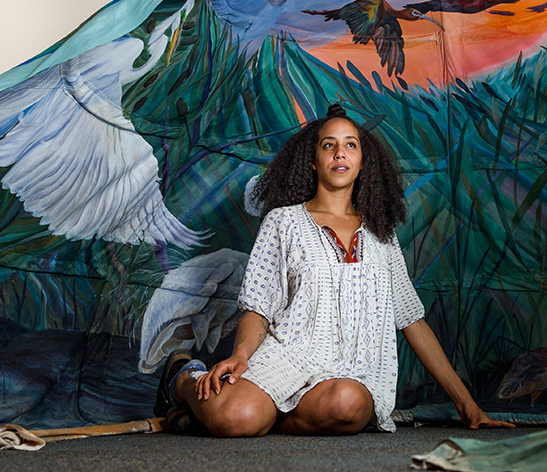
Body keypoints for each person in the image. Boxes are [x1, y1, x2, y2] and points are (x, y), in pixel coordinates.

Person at [154, 104, 513, 436]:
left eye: (350, 145)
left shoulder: (381, 235)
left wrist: (467, 404)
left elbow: (412, 320)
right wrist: (240, 356)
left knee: (350, 406)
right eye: (328, 145)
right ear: (313, 160)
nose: (340, 153)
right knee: (235, 419)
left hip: (349, 373)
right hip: (287, 358)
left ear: (362, 160)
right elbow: (258, 308)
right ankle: (182, 376)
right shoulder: (283, 222)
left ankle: (256, 415)